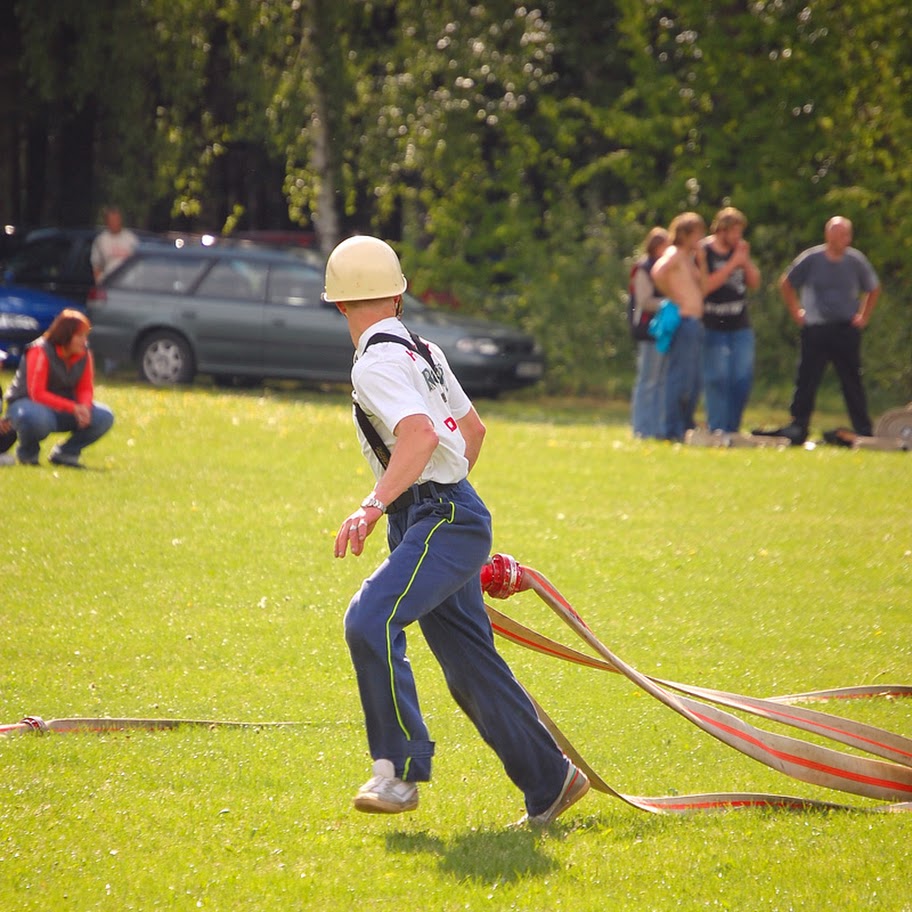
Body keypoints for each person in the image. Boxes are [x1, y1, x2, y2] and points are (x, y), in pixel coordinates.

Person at [327, 235, 589, 826]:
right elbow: (472, 433)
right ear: (398, 294)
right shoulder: (424, 350)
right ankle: (552, 783)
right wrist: (448, 495)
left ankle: (394, 774)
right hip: (450, 514)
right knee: (472, 667)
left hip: (437, 518)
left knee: (370, 619)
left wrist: (377, 505)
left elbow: (420, 436)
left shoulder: (374, 364)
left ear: (340, 304)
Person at [777, 216, 880, 444]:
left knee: (851, 379)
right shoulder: (812, 259)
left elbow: (873, 288)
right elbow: (786, 282)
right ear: (827, 235)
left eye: (842, 235)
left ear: (849, 237)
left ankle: (862, 427)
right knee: (807, 378)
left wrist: (863, 316)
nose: (838, 239)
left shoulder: (856, 261)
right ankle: (799, 425)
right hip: (816, 328)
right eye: (834, 234)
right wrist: (796, 311)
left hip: (845, 329)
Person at [4, 309, 114, 467]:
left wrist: (84, 407)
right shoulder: (39, 351)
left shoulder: (84, 353)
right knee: (35, 418)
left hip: (63, 409)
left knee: (104, 416)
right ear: (65, 335)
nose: (84, 340)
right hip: (27, 405)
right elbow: (37, 394)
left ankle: (66, 454)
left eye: (85, 335)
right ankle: (28, 453)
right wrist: (73, 408)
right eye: (80, 335)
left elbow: (85, 387)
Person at [701, 207, 761, 433]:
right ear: (721, 230)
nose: (737, 237)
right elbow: (706, 286)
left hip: (739, 325)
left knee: (741, 377)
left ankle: (732, 428)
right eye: (733, 232)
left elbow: (754, 282)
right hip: (712, 324)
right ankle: (717, 428)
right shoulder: (704, 251)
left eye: (740, 232)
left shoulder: (740, 252)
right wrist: (732, 263)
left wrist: (743, 261)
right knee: (717, 377)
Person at [650, 212, 708, 441]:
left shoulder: (688, 258)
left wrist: (702, 262)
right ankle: (671, 429)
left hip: (694, 321)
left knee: (694, 378)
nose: (700, 239)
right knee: (679, 377)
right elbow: (658, 272)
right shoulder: (674, 253)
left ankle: (684, 425)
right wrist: (674, 296)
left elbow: (703, 288)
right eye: (697, 234)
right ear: (684, 234)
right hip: (684, 321)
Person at [630, 227, 670, 438]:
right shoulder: (644, 269)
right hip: (649, 331)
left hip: (665, 331)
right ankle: (641, 427)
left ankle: (658, 428)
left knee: (662, 381)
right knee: (648, 380)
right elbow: (644, 301)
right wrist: (670, 303)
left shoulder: (667, 268)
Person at [90, 206, 138, 282]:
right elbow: (96, 266)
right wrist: (100, 284)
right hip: (108, 284)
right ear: (107, 222)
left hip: (128, 284)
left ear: (120, 220)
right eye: (111, 220)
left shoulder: (131, 239)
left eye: (116, 220)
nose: (114, 223)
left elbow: (137, 264)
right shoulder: (100, 240)